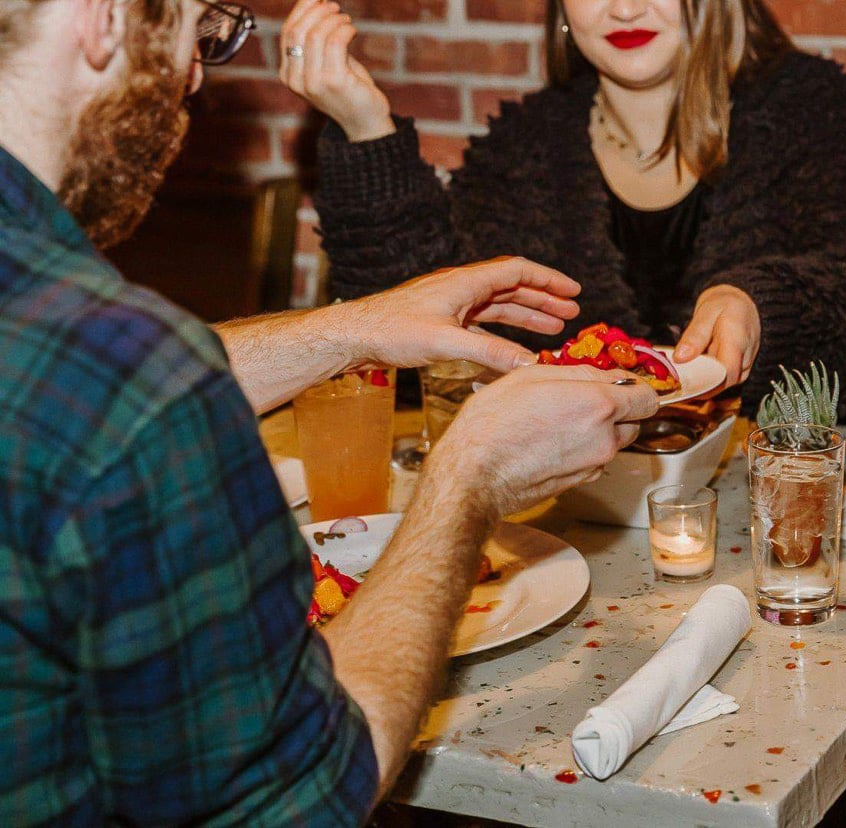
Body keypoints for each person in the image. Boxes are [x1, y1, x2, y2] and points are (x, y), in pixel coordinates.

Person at [0, 0, 657, 824]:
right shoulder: (138, 383)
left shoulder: (87, 357)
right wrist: (467, 477)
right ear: (102, 17)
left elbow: (73, 389)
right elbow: (308, 796)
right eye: (196, 29)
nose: (195, 75)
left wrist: (353, 329)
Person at [280, 0, 846, 423]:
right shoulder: (528, 143)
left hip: (792, 493)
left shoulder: (810, 106)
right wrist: (366, 129)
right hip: (585, 517)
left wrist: (760, 305)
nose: (623, 7)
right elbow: (419, 326)